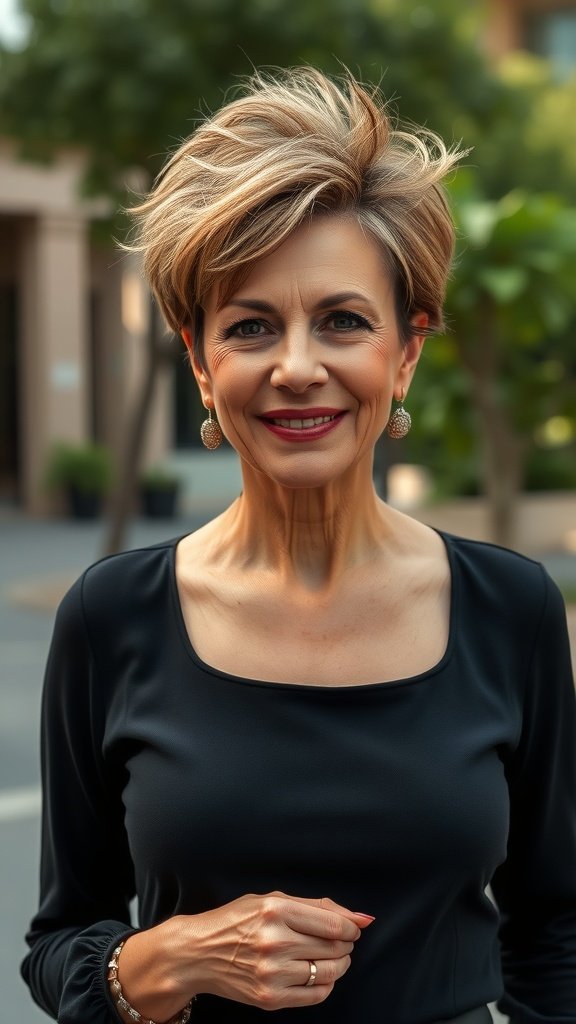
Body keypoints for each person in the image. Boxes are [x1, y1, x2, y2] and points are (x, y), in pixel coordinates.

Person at [22, 68, 575, 1024]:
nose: (298, 367)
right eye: (251, 327)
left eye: (343, 321)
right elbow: (61, 940)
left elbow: (558, 933)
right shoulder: (111, 619)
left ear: (405, 352)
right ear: (201, 363)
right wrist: (169, 959)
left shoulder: (510, 609)